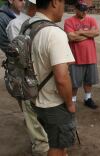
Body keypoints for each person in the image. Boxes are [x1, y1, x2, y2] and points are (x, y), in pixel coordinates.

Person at [29, 0, 77, 155]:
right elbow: (62, 79)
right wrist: (70, 104)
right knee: (57, 146)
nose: (64, 8)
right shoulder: (54, 33)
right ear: (55, 2)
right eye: (63, 3)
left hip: (34, 97)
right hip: (53, 102)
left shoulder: (28, 25)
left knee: (52, 139)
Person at [5, 1, 50, 155]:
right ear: (33, 7)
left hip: (40, 77)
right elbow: (19, 56)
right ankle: (41, 148)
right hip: (28, 77)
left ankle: (43, 144)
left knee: (38, 113)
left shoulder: (40, 23)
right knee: (32, 113)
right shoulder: (16, 24)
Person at [64, 0, 99, 109]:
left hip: (90, 56)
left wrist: (80, 32)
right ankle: (72, 100)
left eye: (86, 10)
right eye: (81, 10)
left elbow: (97, 32)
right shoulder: (69, 21)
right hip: (75, 57)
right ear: (76, 9)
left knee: (89, 80)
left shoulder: (91, 19)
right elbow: (71, 37)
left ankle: (87, 98)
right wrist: (89, 34)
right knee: (74, 82)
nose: (84, 12)